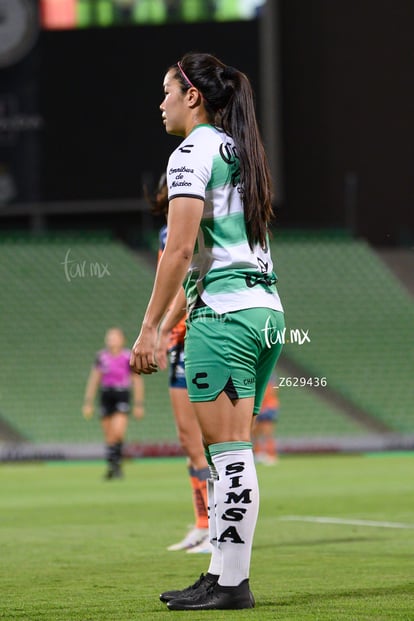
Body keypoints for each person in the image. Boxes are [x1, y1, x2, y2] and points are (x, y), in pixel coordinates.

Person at [129, 52, 285, 610]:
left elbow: (179, 251)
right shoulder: (238, 149)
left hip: (225, 318)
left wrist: (149, 330)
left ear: (193, 95)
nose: (161, 102)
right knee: (228, 453)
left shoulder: (190, 152)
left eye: (167, 90)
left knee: (230, 453)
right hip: (264, 311)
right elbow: (205, 258)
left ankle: (233, 583)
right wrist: (167, 322)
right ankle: (220, 574)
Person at [148, 175, 211, 552]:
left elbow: (191, 285)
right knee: (189, 441)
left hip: (200, 335)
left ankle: (219, 526)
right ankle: (202, 523)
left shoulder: (199, 228)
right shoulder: (164, 234)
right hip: (177, 343)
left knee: (211, 441)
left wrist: (160, 328)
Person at [83, 327, 144, 479]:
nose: (112, 340)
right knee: (109, 434)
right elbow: (94, 379)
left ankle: (116, 462)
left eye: (115, 337)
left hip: (121, 394)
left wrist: (139, 404)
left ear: (122, 340)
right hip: (106, 394)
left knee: (118, 431)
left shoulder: (127, 356)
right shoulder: (101, 357)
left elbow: (137, 380)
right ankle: (113, 466)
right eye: (109, 337)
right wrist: (88, 402)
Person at [252, 374, 280, 465]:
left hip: (268, 407)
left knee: (267, 432)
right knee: (255, 432)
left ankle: (271, 454)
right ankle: (258, 453)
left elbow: (272, 391)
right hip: (258, 406)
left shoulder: (270, 376)